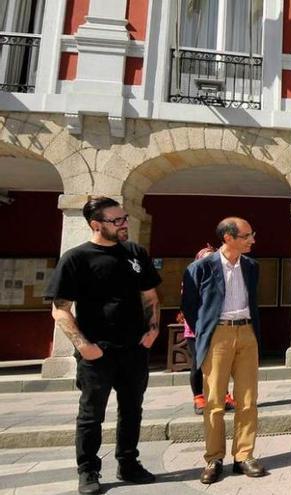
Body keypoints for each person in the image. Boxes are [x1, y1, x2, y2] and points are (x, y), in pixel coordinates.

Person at [45, 196, 161, 495]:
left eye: (124, 218)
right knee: (91, 415)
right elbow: (60, 309)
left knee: (132, 409)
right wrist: (84, 346)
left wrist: (152, 330)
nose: (124, 224)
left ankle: (128, 463)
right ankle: (88, 470)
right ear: (96, 224)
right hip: (97, 352)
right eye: (117, 220)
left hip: (135, 348)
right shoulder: (76, 258)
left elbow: (150, 297)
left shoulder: (135, 253)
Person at [181, 217, 267, 484]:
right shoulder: (200, 268)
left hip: (247, 332)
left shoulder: (252, 266)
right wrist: (208, 331)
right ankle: (214, 458)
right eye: (247, 235)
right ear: (228, 238)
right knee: (215, 400)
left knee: (248, 399)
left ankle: (244, 456)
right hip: (218, 333)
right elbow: (190, 306)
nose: (252, 240)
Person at [177, 244, 235, 415]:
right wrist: (198, 327)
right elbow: (188, 304)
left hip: (218, 327)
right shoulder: (192, 275)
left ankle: (223, 395)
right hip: (196, 329)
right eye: (206, 257)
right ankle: (199, 398)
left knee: (220, 363)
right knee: (198, 362)